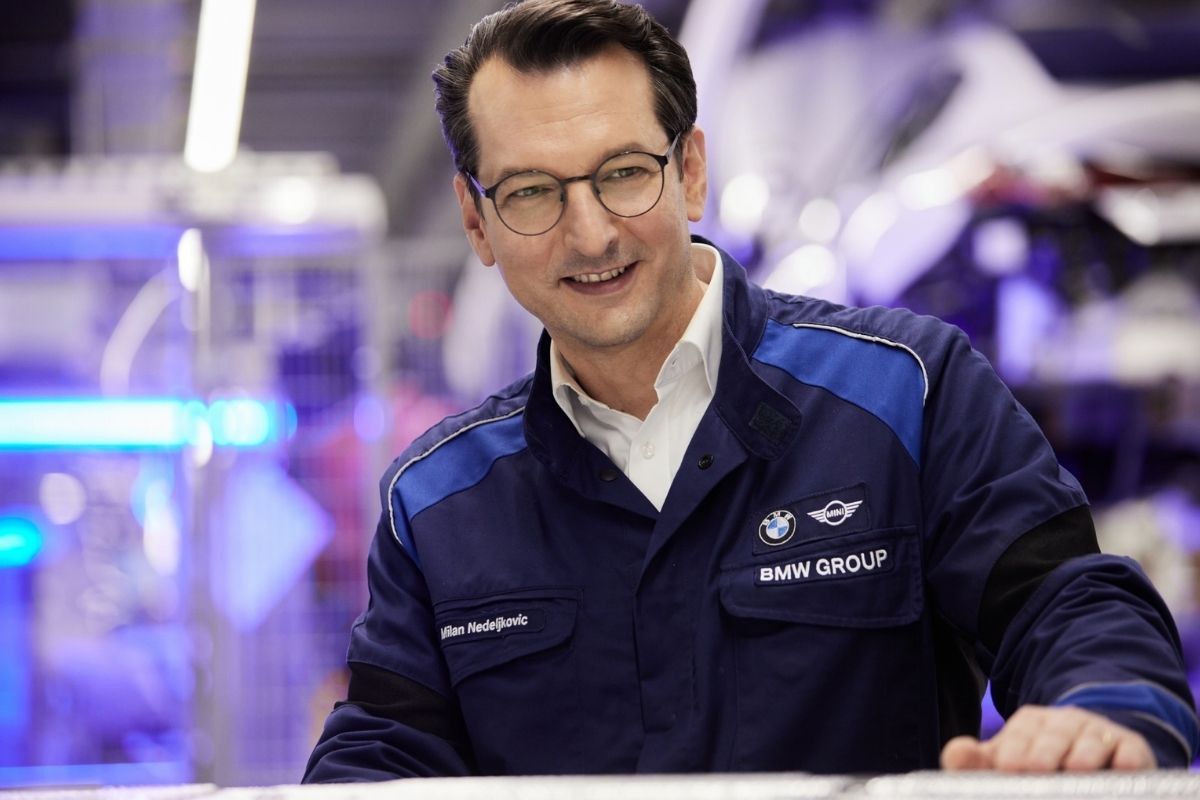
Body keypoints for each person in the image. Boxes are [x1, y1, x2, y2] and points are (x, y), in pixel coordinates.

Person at [304, 0, 1198, 780]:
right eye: (533, 192)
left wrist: (1105, 710)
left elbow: (1067, 601)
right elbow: (382, 749)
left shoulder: (907, 393)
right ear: (476, 220)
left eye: (624, 173)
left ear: (691, 172)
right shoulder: (436, 501)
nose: (590, 233)